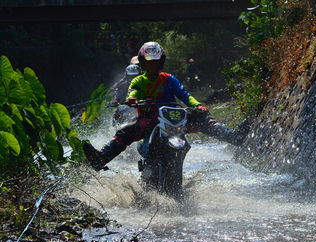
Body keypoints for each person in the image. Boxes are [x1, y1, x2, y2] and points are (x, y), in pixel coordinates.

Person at [83, 41, 250, 171]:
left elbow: (185, 95)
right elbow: (132, 93)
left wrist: (198, 106)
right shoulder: (138, 81)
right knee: (125, 132)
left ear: (161, 62)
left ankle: (233, 136)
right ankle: (101, 158)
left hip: (174, 118)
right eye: (149, 63)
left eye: (156, 62)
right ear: (143, 63)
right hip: (149, 120)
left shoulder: (170, 79)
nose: (152, 66)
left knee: (203, 119)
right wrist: (132, 100)